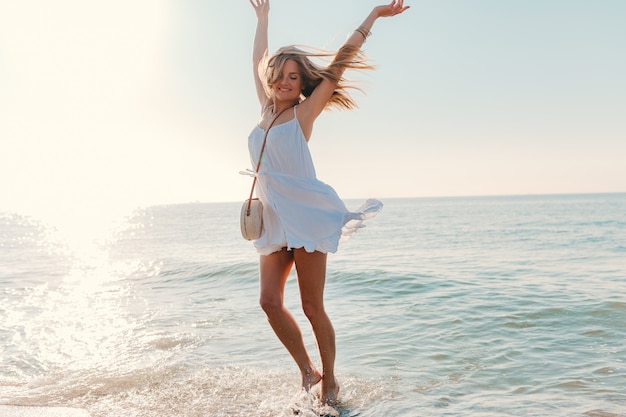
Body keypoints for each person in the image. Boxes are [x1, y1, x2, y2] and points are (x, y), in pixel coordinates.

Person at [247, 0, 409, 406]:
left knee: (310, 305)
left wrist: (373, 17)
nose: (285, 81)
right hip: (272, 220)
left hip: (305, 218)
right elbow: (257, 59)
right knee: (269, 302)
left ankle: (331, 381)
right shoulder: (264, 111)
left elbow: (340, 62)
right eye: (280, 75)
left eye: (294, 76)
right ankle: (308, 372)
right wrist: (263, 19)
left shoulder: (303, 115)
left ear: (302, 83)